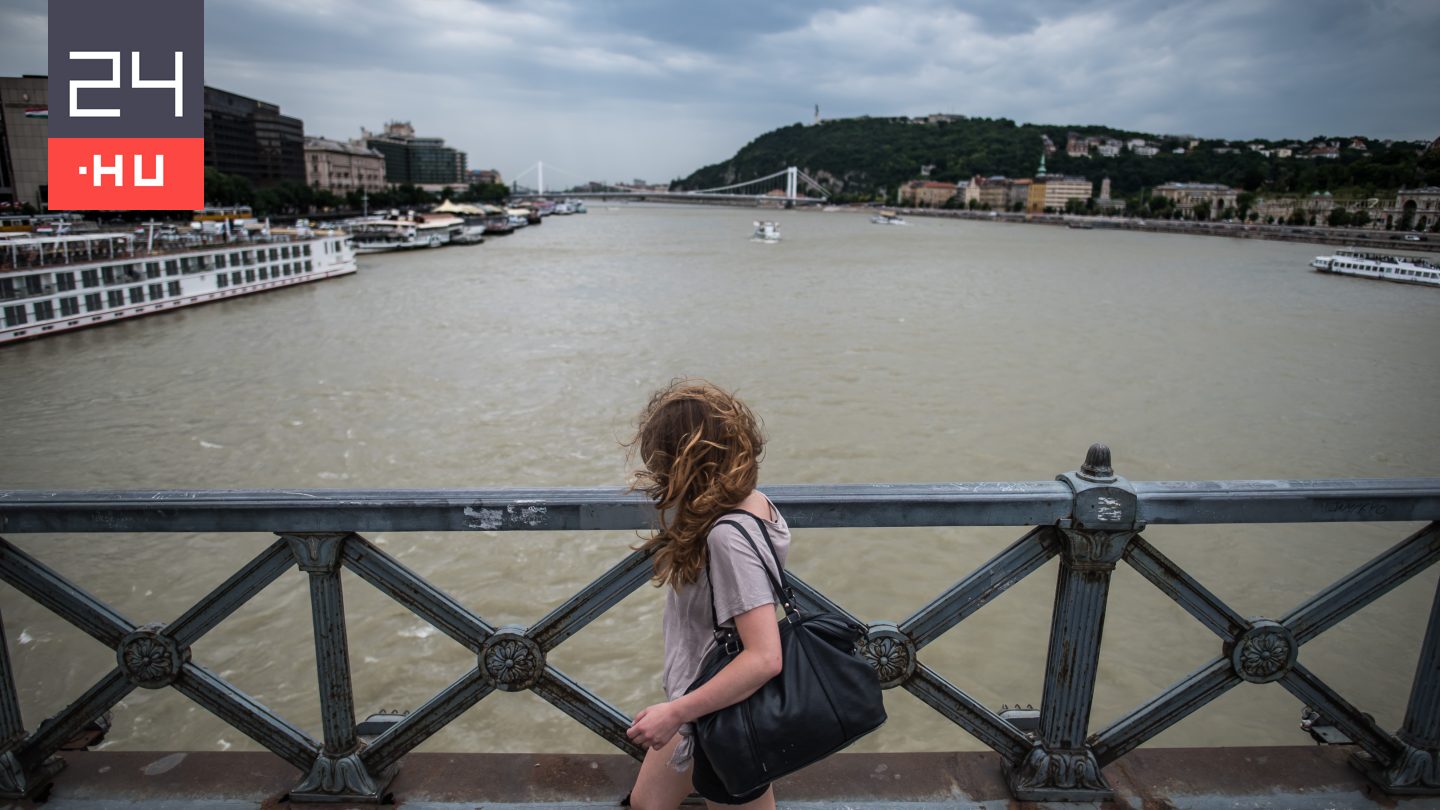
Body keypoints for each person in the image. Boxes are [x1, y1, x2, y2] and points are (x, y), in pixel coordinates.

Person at [624, 379, 790, 810]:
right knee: (647, 804)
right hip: (703, 708)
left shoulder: (727, 537)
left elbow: (764, 656)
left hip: (724, 714)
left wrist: (676, 713)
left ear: (681, 463)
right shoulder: (755, 504)